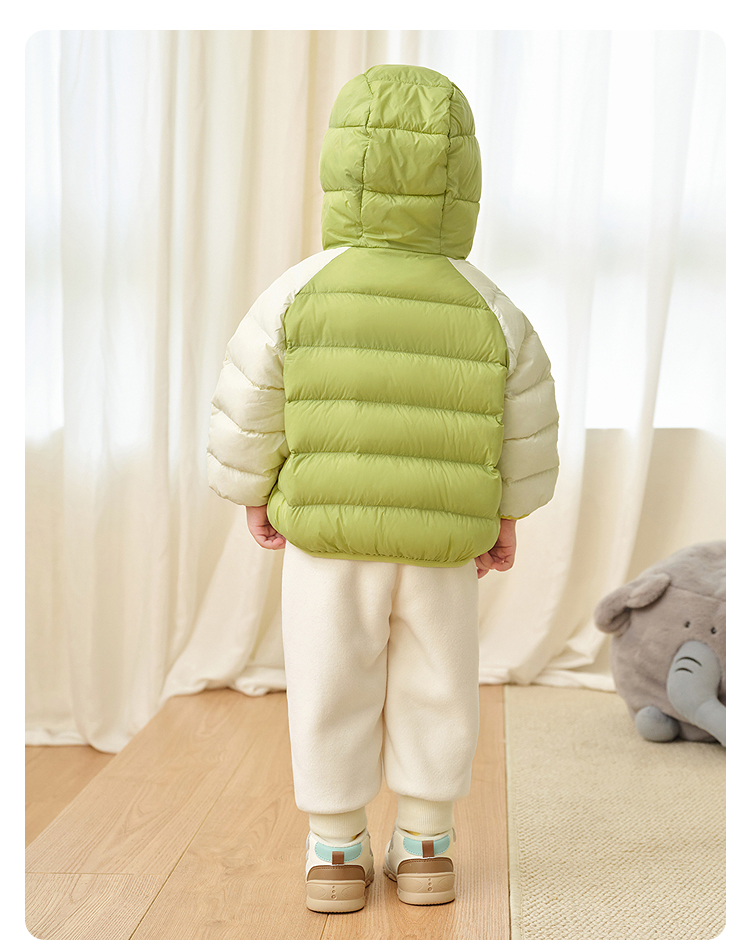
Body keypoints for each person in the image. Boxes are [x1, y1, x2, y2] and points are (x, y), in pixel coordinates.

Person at [207, 63, 559, 914]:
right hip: (441, 546)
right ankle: (428, 844)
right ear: (462, 179)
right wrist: (507, 513)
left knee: (331, 680)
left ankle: (335, 848)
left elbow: (251, 400)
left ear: (342, 168)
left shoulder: (299, 290)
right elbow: (525, 420)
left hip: (328, 541)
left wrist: (253, 489)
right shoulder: (491, 306)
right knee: (440, 680)